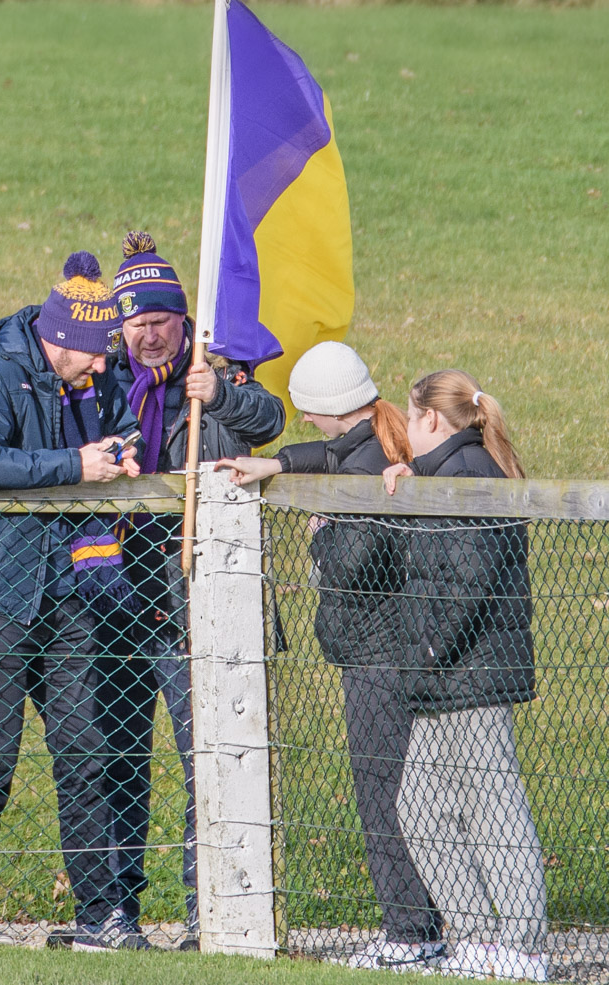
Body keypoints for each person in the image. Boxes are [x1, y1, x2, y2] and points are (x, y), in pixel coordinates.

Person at [0, 251, 152, 952]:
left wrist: (118, 452)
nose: (99, 371)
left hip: (66, 587)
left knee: (82, 746)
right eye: (91, 358)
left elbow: (119, 424)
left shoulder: (93, 374)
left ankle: (101, 913)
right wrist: (74, 466)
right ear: (60, 341)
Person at [217, 341, 447, 971]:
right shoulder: (372, 441)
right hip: (389, 649)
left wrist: (320, 536)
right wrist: (278, 464)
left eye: (308, 411)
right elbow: (330, 455)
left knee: (381, 793)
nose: (305, 422)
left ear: (330, 406)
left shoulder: (369, 459)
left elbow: (357, 563)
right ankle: (420, 924)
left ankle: (410, 932)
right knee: (399, 791)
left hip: (381, 653)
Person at [98, 230, 286, 949]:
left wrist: (223, 397)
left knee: (207, 760)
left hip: (195, 607)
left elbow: (270, 420)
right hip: (116, 604)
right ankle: (114, 910)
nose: (148, 335)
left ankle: (207, 909)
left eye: (160, 321)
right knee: (116, 759)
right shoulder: (100, 384)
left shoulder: (217, 375)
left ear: (184, 320)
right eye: (135, 322)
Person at [383, 369, 548, 982]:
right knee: (422, 810)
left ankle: (524, 946)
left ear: (431, 419)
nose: (403, 431)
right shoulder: (444, 474)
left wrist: (426, 651)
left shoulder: (469, 474)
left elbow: (469, 578)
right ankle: (477, 938)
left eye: (409, 417)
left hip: (469, 672)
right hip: (441, 674)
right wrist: (407, 482)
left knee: (493, 806)